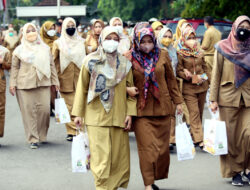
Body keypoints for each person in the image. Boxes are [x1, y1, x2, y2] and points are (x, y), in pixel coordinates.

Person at [72, 26, 137, 190]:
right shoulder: (90, 61)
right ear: (101, 39)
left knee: (117, 159)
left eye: (116, 39)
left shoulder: (125, 64)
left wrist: (130, 113)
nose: (112, 42)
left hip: (119, 115)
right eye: (109, 38)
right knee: (101, 160)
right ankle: (101, 187)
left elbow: (131, 91)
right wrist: (78, 114)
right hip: (96, 117)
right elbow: (82, 88)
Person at [125, 22, 183, 190]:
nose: (147, 45)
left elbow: (171, 80)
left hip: (162, 108)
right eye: (143, 41)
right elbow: (121, 81)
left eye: (150, 41)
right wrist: (126, 90)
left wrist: (178, 102)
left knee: (162, 150)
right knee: (147, 150)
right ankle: (148, 184)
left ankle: (154, 177)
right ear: (136, 40)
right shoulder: (128, 57)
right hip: (141, 110)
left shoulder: (163, 55)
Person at [210, 15, 250, 187]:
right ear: (234, 27)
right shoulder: (222, 48)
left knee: (248, 135)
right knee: (231, 139)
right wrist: (212, 99)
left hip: (248, 98)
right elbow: (216, 74)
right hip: (227, 97)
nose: (244, 30)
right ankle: (235, 172)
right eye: (242, 26)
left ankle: (248, 168)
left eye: (248, 28)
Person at [9, 23, 59, 149]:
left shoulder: (45, 48)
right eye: (28, 31)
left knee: (45, 110)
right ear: (24, 34)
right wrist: (12, 84)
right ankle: (33, 138)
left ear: (37, 32)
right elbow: (14, 68)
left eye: (33, 30)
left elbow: (52, 66)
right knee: (28, 112)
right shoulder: (19, 50)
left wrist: (55, 81)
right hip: (24, 84)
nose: (31, 33)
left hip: (43, 82)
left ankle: (41, 135)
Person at [52, 17, 86, 141]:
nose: (70, 28)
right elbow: (53, 61)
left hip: (80, 78)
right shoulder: (58, 43)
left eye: (73, 25)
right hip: (64, 78)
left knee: (80, 105)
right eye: (68, 25)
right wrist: (54, 79)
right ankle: (72, 130)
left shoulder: (82, 42)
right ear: (63, 27)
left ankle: (78, 129)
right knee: (68, 107)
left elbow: (88, 58)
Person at [176, 27, 209, 149]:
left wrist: (205, 78)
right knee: (194, 113)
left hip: (202, 87)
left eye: (193, 38)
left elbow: (206, 69)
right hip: (189, 88)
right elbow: (178, 70)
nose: (192, 40)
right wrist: (186, 74)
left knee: (199, 113)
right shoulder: (180, 53)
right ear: (183, 39)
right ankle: (200, 140)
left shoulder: (200, 52)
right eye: (189, 38)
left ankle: (193, 135)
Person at [40, 21, 59, 117]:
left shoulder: (57, 40)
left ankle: (55, 108)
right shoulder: (39, 42)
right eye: (49, 28)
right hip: (44, 70)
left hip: (56, 69)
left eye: (53, 28)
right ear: (44, 30)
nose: (52, 31)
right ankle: (48, 109)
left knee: (54, 90)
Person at [0, 45, 10, 147]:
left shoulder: (4, 51)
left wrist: (2, 62)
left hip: (0, 83)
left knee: (0, 110)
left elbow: (9, 66)